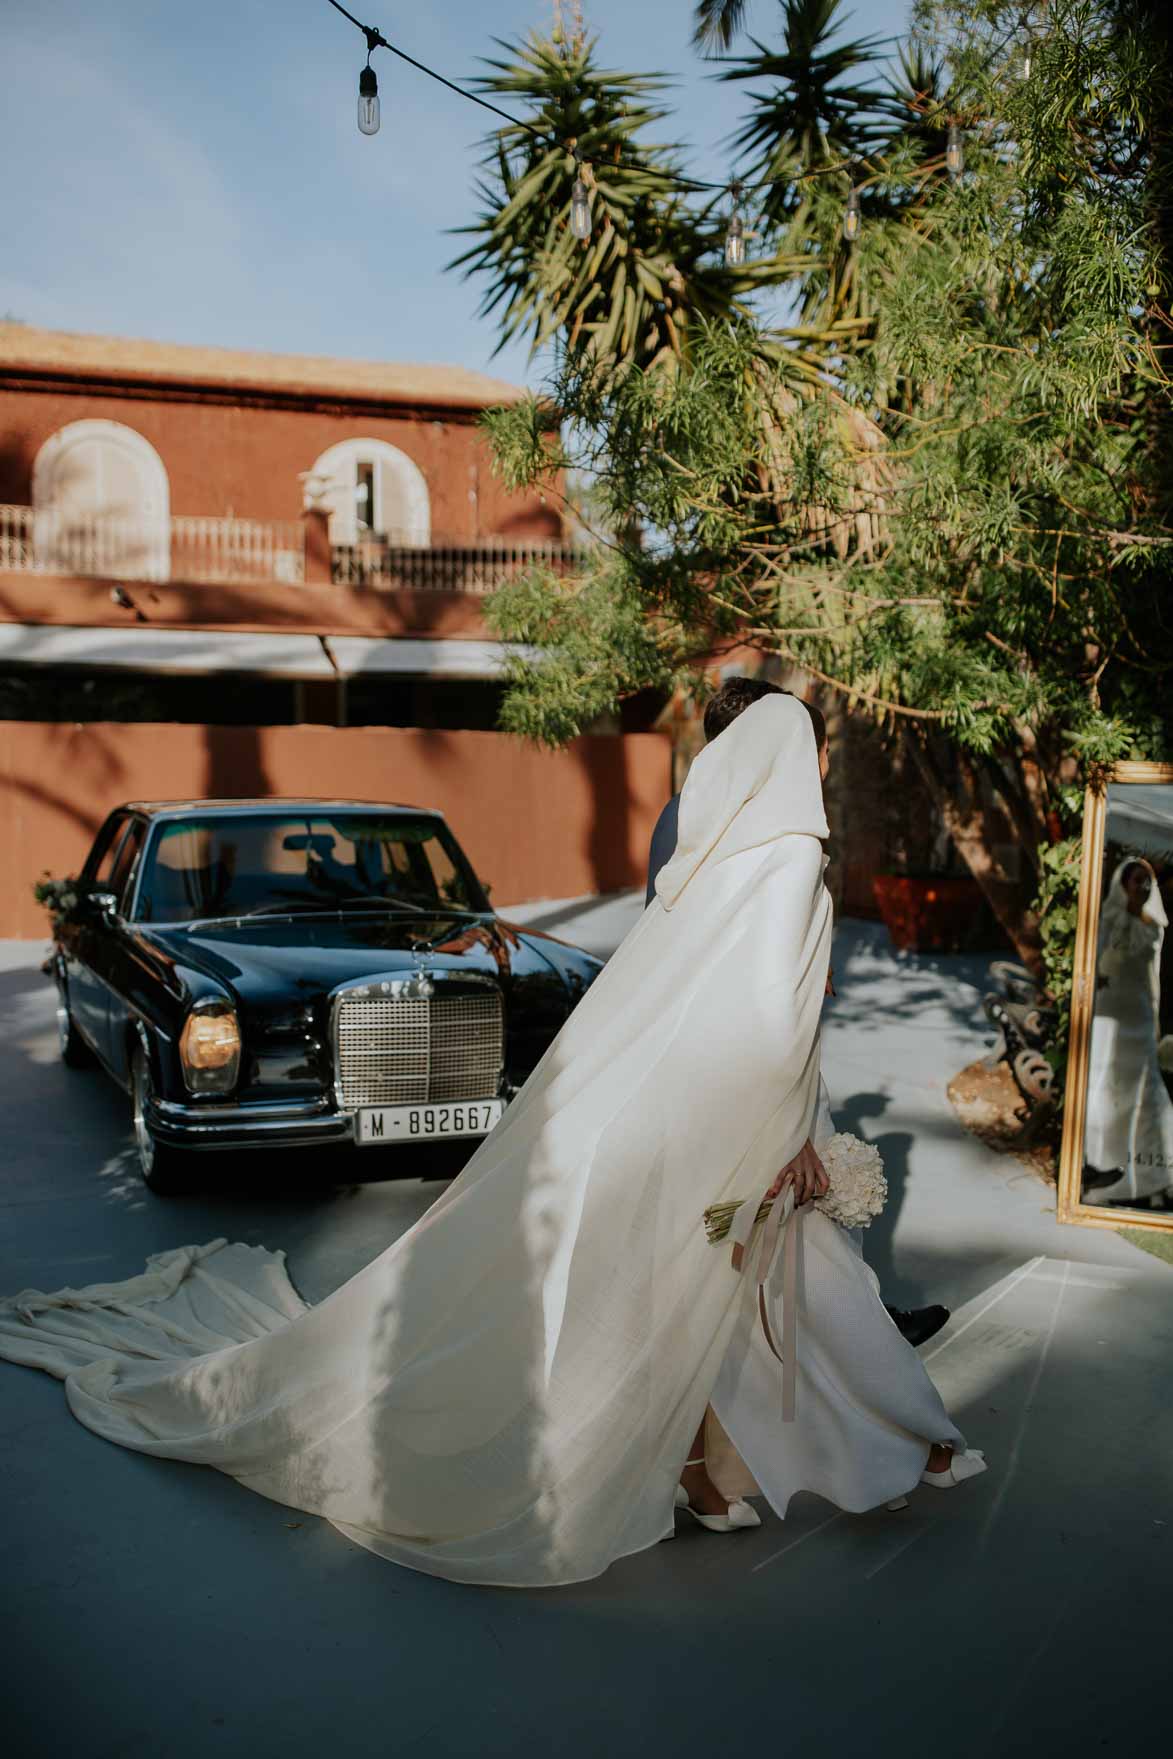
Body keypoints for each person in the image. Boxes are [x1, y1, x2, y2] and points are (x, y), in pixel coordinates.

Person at [0, 694, 983, 1588]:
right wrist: (797, 1133)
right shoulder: (789, 865)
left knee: (713, 1289)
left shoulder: (705, 863)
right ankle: (899, 1445)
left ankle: (748, 1473)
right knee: (775, 1280)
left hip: (662, 1116)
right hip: (738, 1119)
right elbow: (777, 1021)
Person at [648, 676, 950, 1352]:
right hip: (739, 1056)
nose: (822, 764)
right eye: (812, 746)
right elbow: (678, 936)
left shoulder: (761, 823)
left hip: (759, 1048)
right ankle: (837, 1349)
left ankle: (845, 1337)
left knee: (784, 1231)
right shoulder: (708, 820)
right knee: (740, 1221)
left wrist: (803, 959)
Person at [1083, 857, 1173, 1206]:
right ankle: (1103, 1166)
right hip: (1107, 1016)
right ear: (1121, 883)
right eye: (1134, 880)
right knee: (1105, 1090)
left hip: (1137, 1018)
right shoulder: (1107, 917)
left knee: (1145, 1094)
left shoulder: (1154, 925)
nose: (1140, 887)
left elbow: (1151, 972)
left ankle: (1157, 1175)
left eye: (1145, 881)